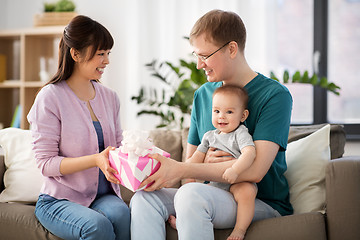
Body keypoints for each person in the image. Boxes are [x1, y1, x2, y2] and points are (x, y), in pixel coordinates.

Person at [130, 9, 293, 240]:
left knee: (191, 195)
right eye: (196, 55)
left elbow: (255, 171)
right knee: (145, 198)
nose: (198, 65)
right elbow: (191, 170)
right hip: (210, 195)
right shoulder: (203, 95)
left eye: (204, 56)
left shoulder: (275, 96)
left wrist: (184, 168)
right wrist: (191, 170)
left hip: (258, 201)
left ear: (232, 49)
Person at [27, 15, 130, 240]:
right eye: (100, 54)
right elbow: (45, 164)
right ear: (76, 54)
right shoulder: (50, 97)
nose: (107, 61)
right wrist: (95, 159)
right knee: (96, 226)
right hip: (58, 200)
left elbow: (119, 147)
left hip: (103, 195)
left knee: (123, 214)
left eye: (108, 54)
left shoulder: (110, 97)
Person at [168, 85, 257, 240]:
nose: (221, 116)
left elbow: (250, 153)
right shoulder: (209, 136)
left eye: (229, 112)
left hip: (237, 182)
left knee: (247, 192)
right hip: (216, 185)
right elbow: (195, 160)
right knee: (192, 194)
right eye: (216, 111)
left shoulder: (240, 133)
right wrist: (181, 172)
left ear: (243, 116)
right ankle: (184, 221)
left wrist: (235, 170)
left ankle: (239, 230)